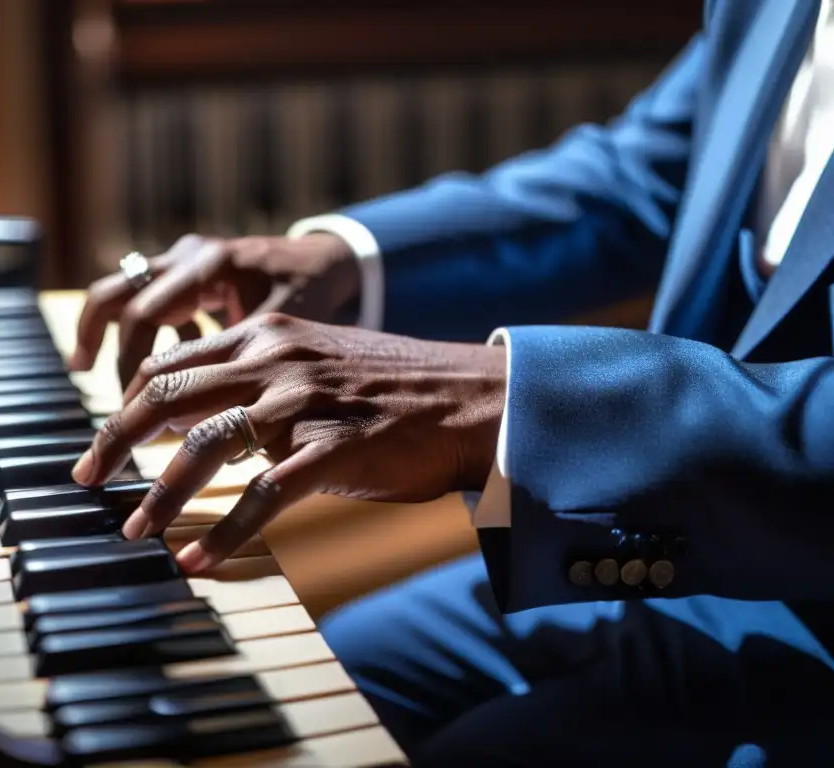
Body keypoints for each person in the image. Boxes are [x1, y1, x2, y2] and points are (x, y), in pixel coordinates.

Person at [69, 0, 834, 764]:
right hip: (682, 557)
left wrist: (511, 401)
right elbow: (646, 176)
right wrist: (344, 257)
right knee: (318, 685)